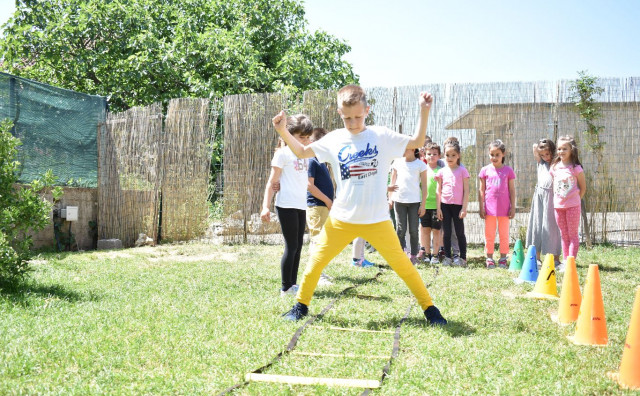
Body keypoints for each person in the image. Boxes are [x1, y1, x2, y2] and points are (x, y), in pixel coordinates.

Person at [272, 84, 447, 326]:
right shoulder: (334, 139)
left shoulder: (381, 136)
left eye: (357, 116)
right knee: (315, 262)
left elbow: (417, 141)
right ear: (339, 112)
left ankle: (430, 310)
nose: (353, 122)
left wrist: (424, 111)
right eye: (347, 118)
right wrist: (282, 130)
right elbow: (302, 152)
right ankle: (300, 307)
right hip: (341, 220)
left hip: (377, 221)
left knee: (404, 267)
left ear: (367, 110)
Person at [260, 115, 312, 297]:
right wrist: (265, 207)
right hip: (286, 205)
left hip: (301, 205)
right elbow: (271, 182)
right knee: (291, 246)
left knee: (298, 245)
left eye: (307, 137)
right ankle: (285, 287)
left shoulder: (305, 153)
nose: (305, 141)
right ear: (290, 135)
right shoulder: (282, 154)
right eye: (301, 137)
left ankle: (293, 284)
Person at [478, 140, 516, 269]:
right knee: (489, 234)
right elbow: (481, 190)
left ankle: (503, 258)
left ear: (503, 154)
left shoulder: (508, 171)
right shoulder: (485, 170)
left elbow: (512, 190)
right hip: (489, 210)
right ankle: (489, 257)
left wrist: (513, 207)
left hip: (505, 210)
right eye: (491, 154)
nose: (494, 157)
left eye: (497, 154)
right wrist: (481, 207)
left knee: (504, 234)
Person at [305, 127, 335, 285]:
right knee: (316, 239)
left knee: (321, 240)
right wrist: (327, 200)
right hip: (316, 206)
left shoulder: (320, 160)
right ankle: (316, 274)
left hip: (323, 206)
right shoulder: (311, 160)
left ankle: (319, 271)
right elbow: (310, 186)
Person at [526, 138, 562, 269]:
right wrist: (542, 144)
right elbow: (535, 146)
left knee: (552, 227)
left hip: (552, 198)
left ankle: (555, 258)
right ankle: (536, 258)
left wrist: (551, 149)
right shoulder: (540, 163)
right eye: (542, 155)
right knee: (537, 226)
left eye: (548, 154)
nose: (545, 157)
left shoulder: (557, 163)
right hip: (540, 197)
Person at [549, 135, 586, 261]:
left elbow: (583, 188)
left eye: (564, 149)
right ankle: (565, 262)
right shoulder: (554, 168)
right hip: (558, 207)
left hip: (573, 207)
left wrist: (574, 201)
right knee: (564, 235)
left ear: (572, 150)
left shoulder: (576, 168)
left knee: (573, 235)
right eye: (559, 149)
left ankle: (570, 263)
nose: (561, 151)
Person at [389, 147, 427, 264]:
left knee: (414, 230)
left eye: (406, 147)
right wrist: (390, 199)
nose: (403, 149)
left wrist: (423, 205)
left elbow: (424, 186)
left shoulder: (420, 165)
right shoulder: (397, 162)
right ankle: (401, 254)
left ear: (413, 149)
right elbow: (392, 182)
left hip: (414, 202)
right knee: (400, 229)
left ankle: (414, 255)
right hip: (399, 201)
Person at [435, 140, 469, 267]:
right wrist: (439, 208)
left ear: (458, 155)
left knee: (460, 232)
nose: (450, 158)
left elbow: (466, 191)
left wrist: (464, 208)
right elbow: (438, 191)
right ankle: (448, 257)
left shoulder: (462, 171)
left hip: (458, 206)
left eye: (453, 155)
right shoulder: (441, 171)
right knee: (447, 233)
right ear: (444, 155)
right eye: (447, 155)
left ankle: (463, 258)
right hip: (445, 206)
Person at [418, 142, 442, 265]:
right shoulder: (422, 170)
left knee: (436, 231)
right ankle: (427, 254)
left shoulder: (441, 171)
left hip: (436, 207)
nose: (431, 156)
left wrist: (439, 208)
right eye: (429, 154)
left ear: (439, 156)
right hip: (424, 206)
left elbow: (440, 190)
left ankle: (435, 255)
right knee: (425, 230)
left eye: (434, 154)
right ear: (424, 154)